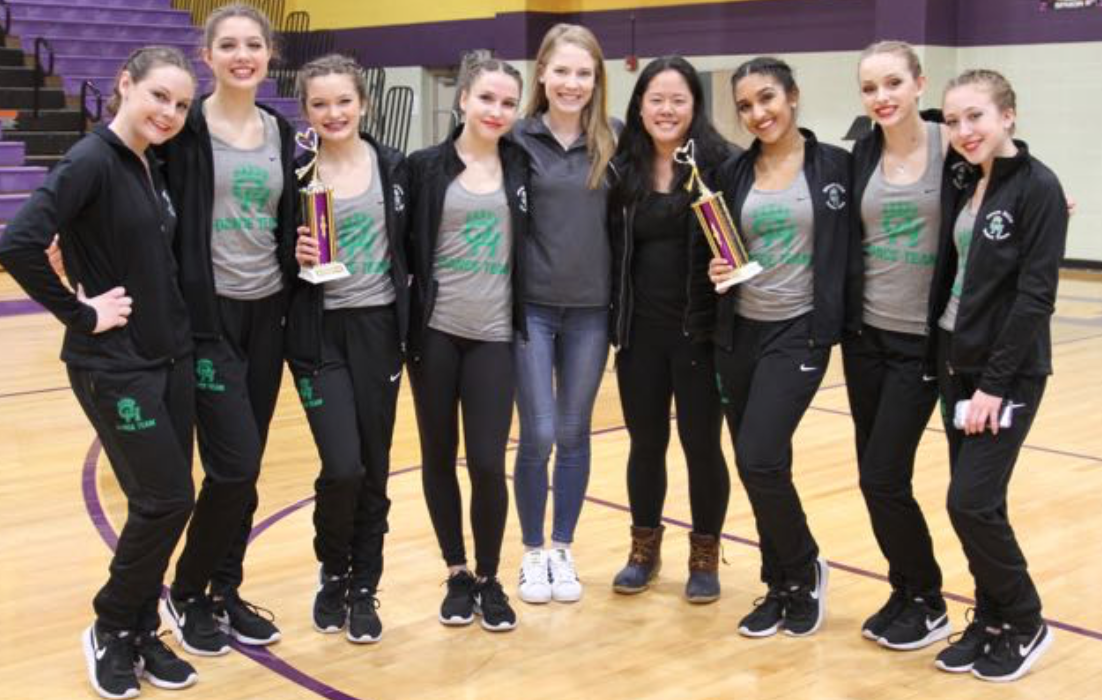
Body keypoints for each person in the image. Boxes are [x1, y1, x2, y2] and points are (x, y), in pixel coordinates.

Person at [0, 46, 200, 699]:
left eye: (180, 104)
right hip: (114, 366)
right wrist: (79, 315)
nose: (169, 112)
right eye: (159, 97)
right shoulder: (90, 159)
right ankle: (112, 624)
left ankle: (141, 629)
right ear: (125, 85)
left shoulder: (148, 164)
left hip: (166, 358)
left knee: (164, 502)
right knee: (165, 498)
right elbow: (18, 242)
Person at [158, 2, 297, 654]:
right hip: (206, 320)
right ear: (206, 56)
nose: (244, 55)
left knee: (248, 464)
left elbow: (295, 215)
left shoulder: (279, 131)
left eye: (254, 44)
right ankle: (187, 589)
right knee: (233, 465)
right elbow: (127, 194)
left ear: (270, 55)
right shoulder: (183, 132)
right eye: (229, 45)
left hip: (267, 312)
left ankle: (224, 587)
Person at [928, 69, 1066, 683]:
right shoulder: (964, 179)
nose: (963, 131)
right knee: (979, 502)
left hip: (1004, 373)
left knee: (971, 502)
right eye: (953, 121)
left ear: (1008, 116)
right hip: (955, 360)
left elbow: (1035, 299)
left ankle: (1027, 619)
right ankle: (989, 618)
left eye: (975, 117)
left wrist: (994, 385)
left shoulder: (1038, 188)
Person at [709, 57, 852, 637]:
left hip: (800, 329)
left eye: (767, 98)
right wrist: (718, 265)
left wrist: (1035, 193)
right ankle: (780, 583)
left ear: (792, 96)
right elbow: (722, 248)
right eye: (745, 105)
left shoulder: (838, 165)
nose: (757, 113)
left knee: (759, 456)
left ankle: (803, 566)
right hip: (739, 330)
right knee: (762, 466)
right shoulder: (733, 171)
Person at [287, 54, 410, 644]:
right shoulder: (296, 171)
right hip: (317, 334)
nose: (333, 113)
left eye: (343, 101)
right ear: (305, 110)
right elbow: (270, 249)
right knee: (343, 467)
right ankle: (332, 566)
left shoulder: (394, 167)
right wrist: (296, 252)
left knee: (376, 467)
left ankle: (364, 585)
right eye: (319, 103)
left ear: (362, 103)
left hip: (378, 329)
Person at [406, 51, 529, 632]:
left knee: (485, 461)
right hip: (434, 335)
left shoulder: (522, 168)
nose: (496, 111)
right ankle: (456, 572)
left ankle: (488, 576)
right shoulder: (424, 168)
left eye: (508, 102)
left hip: (495, 337)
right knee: (438, 458)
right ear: (462, 99)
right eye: (486, 99)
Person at [845, 40, 962, 649]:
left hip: (921, 343)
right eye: (870, 88)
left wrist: (1048, 205)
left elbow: (1018, 181)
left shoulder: (954, 149)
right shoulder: (861, 154)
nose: (881, 97)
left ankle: (930, 598)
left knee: (885, 475)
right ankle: (904, 588)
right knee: (874, 475)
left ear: (920, 83)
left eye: (893, 83)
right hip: (866, 336)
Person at [608, 56, 733, 604]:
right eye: (656, 99)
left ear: (695, 106)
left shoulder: (722, 163)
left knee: (702, 446)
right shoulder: (621, 167)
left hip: (700, 333)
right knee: (646, 444)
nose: (666, 110)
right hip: (639, 334)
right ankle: (644, 549)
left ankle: (705, 552)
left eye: (678, 99)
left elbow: (740, 243)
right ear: (639, 105)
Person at [508, 23, 617, 605]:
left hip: (591, 313)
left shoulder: (613, 141)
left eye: (584, 73)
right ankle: (531, 553)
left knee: (575, 433)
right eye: (563, 71)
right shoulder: (516, 138)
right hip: (533, 311)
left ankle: (564, 549)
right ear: (543, 74)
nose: (573, 83)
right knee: (540, 431)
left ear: (596, 80)